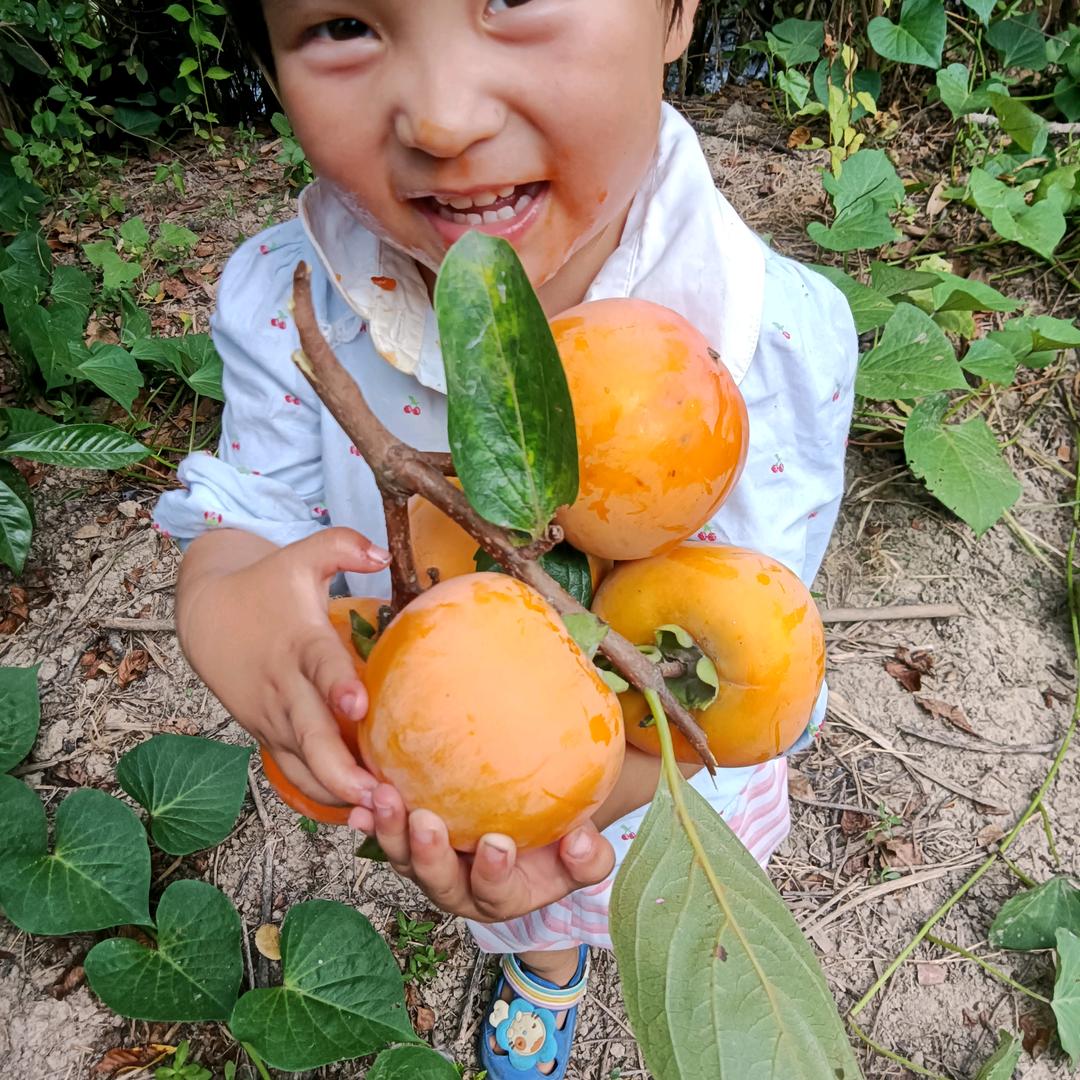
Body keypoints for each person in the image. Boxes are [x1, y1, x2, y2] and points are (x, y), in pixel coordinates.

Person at [154, 1, 858, 1075]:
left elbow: (759, 643)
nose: (439, 116)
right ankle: (546, 966)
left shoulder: (771, 344)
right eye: (344, 22)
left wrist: (569, 780)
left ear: (678, 13)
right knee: (522, 913)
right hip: (475, 787)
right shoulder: (279, 298)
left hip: (656, 793)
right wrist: (226, 602)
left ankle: (570, 945)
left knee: (628, 894)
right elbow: (247, 510)